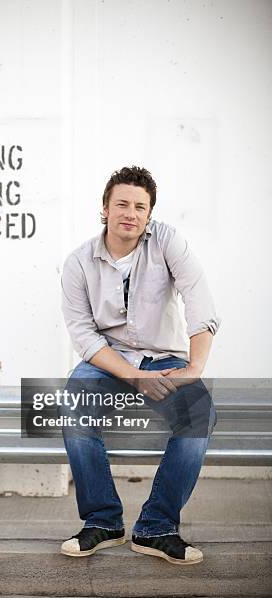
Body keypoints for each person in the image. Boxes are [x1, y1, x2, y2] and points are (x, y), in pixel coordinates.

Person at [59, 166, 220, 565]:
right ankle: (103, 521)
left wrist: (194, 367)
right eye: (122, 204)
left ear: (149, 214)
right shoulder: (78, 262)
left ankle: (157, 527)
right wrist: (133, 375)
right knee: (72, 403)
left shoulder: (168, 243)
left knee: (199, 415)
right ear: (105, 209)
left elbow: (200, 303)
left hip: (164, 356)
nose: (130, 213)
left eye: (140, 206)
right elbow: (83, 335)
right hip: (108, 359)